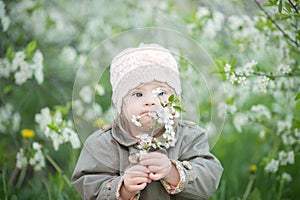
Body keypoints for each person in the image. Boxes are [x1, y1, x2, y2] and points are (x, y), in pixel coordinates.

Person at [71, 43, 223, 200]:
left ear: (176, 100)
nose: (151, 101)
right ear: (121, 105)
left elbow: (209, 178)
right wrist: (123, 189)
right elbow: (88, 185)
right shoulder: (103, 143)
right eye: (138, 94)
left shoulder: (189, 137)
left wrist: (173, 172)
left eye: (162, 93)